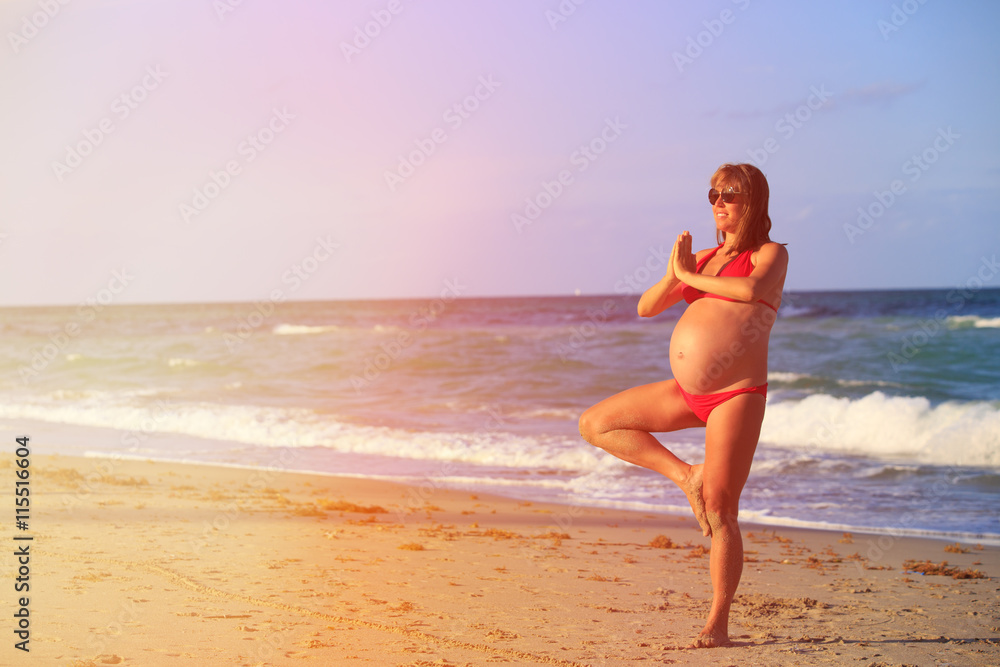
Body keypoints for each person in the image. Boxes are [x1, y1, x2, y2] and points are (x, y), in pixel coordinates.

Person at [578, 162, 788, 649]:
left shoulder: (770, 254)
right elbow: (646, 307)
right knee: (597, 424)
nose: (718, 202)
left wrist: (692, 275)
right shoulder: (706, 260)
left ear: (752, 201)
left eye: (729, 194)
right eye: (713, 194)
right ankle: (683, 476)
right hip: (686, 392)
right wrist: (677, 274)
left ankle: (718, 622)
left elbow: (753, 292)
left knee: (721, 509)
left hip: (736, 395)